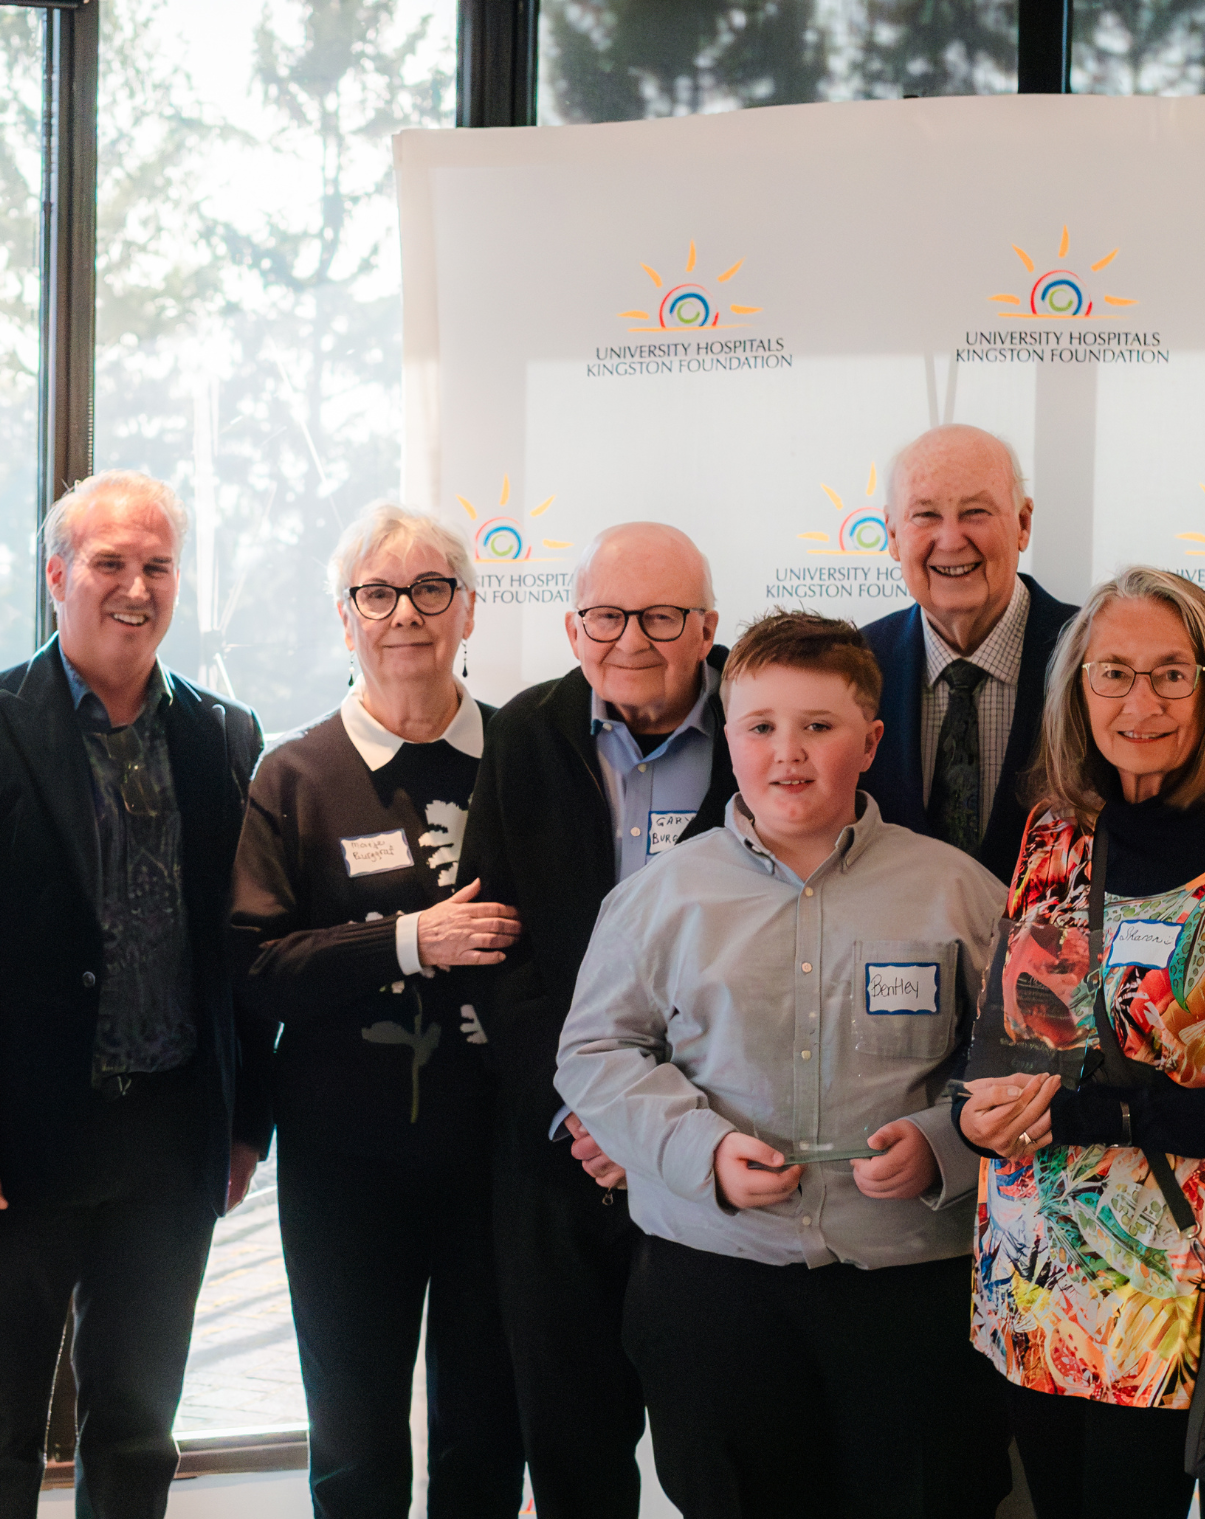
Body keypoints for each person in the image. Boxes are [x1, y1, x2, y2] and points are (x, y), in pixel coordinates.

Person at [556, 610, 1010, 1519]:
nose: (787, 753)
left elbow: (1023, 1054)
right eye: (761, 727)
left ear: (872, 740)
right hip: (713, 1288)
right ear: (729, 739)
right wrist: (702, 1153)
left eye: (819, 726)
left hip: (913, 1294)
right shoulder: (658, 898)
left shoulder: (961, 890)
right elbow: (596, 1051)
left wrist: (945, 1142)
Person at [0, 469, 266, 1518]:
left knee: (138, 1429)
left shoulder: (226, 735)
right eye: (110, 563)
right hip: (12, 1146)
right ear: (58, 576)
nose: (135, 587)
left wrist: (246, 1124)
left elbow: (242, 947)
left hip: (170, 1139)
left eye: (157, 565)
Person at [953, 566, 1205, 1519]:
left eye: (1173, 673)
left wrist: (1100, 1111)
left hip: (1164, 1292)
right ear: (1076, 690)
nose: (1141, 701)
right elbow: (1013, 1038)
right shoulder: (1053, 833)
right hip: (1027, 1273)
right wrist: (977, 1116)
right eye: (1112, 671)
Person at [231, 504, 524, 1517]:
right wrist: (409, 940)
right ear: (345, 616)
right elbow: (257, 965)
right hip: (345, 1164)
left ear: (470, 610)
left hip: (502, 1155)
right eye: (378, 592)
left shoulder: (526, 758)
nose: (406, 613)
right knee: (354, 1441)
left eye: (432, 589)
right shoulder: (294, 774)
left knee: (488, 1430)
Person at [456, 521, 738, 1518]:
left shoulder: (766, 720)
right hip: (558, 1151)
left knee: (723, 1453)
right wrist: (598, 1112)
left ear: (708, 625)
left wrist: (664, 1127)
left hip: (719, 1154)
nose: (633, 640)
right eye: (608, 617)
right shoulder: (527, 732)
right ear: (574, 627)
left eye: (662, 616)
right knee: (572, 1450)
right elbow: (500, 946)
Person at [856, 424, 1081, 884]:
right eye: (925, 516)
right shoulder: (851, 669)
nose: (952, 539)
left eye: (976, 511)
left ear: (1022, 524)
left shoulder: (1096, 656)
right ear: (893, 536)